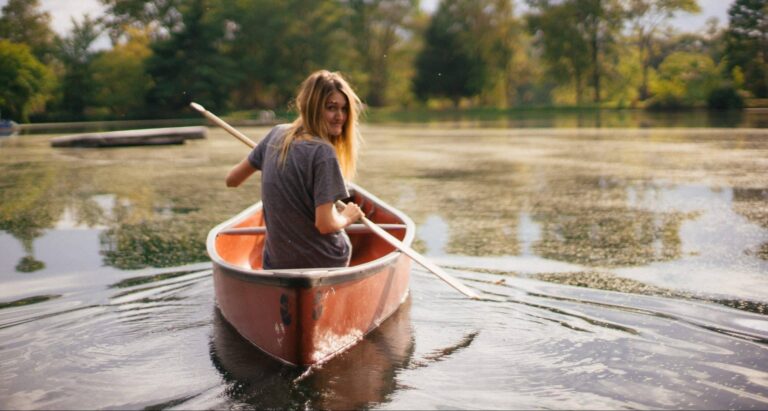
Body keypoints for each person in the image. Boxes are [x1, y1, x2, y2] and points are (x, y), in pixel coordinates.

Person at [225, 70, 365, 270]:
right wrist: (347, 217)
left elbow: (232, 179)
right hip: (324, 261)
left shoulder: (276, 134)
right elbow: (325, 224)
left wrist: (264, 157)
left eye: (344, 109)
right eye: (331, 108)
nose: (340, 116)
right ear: (313, 108)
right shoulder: (323, 152)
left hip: (277, 264)